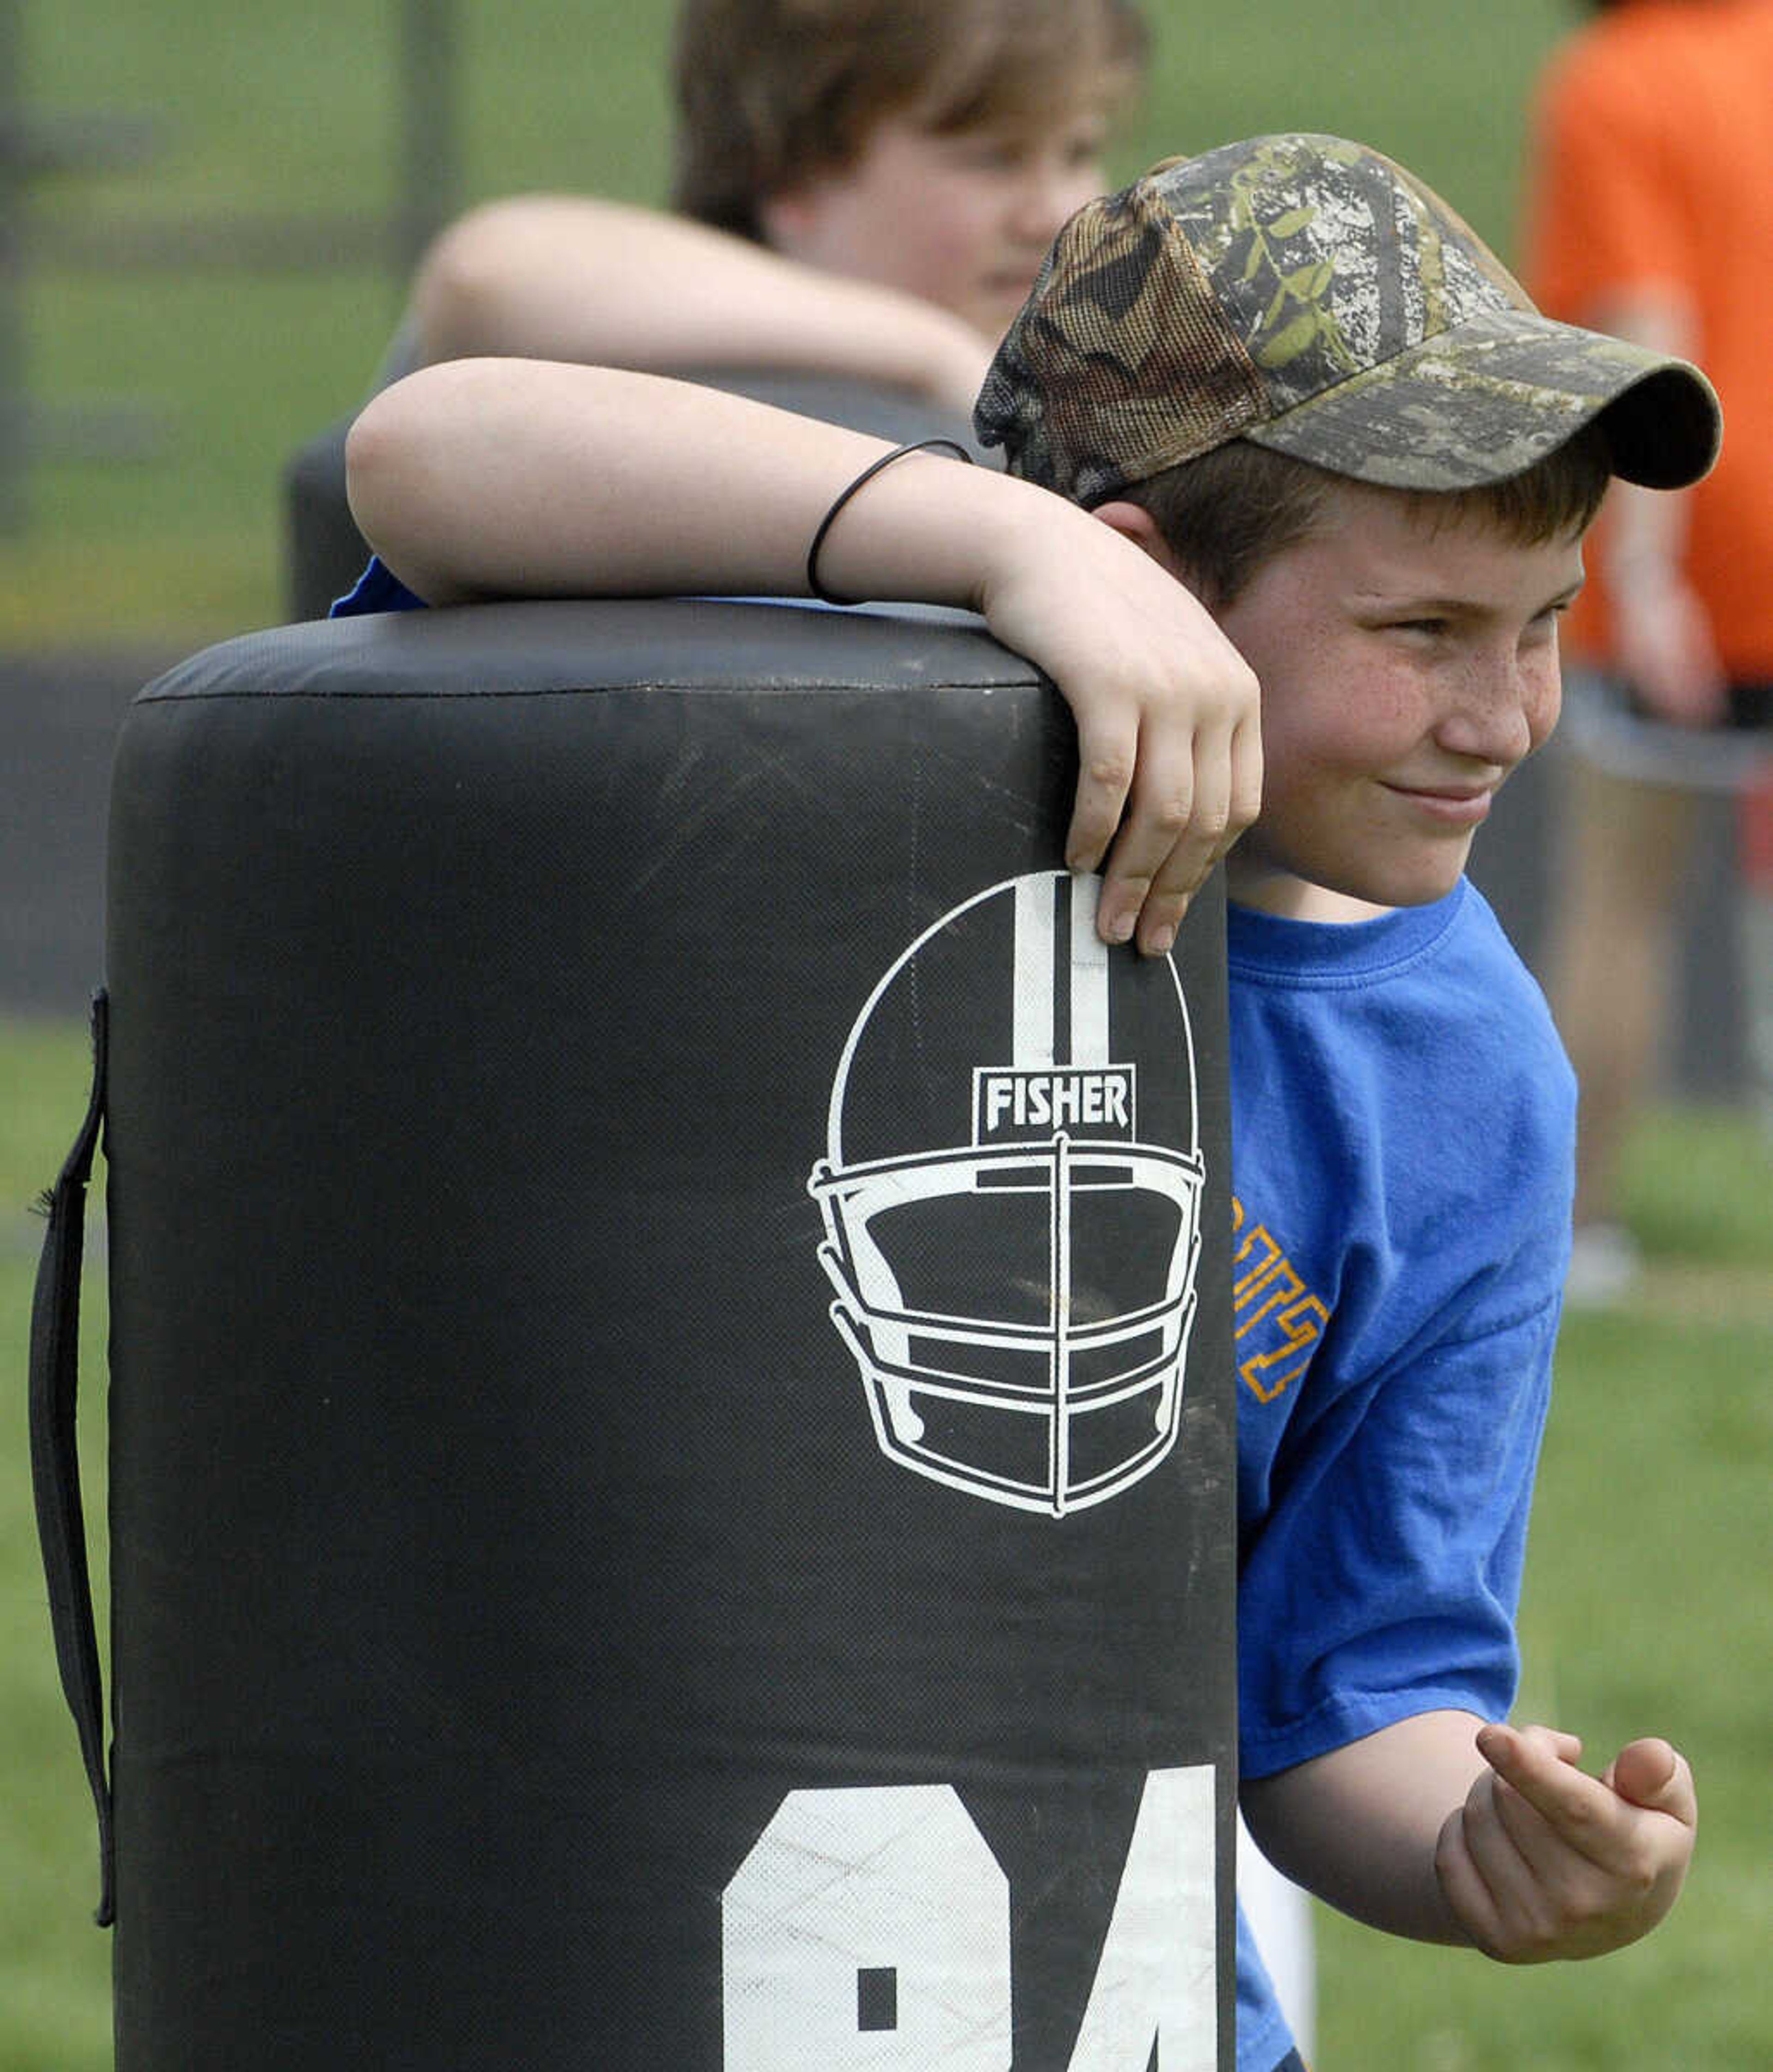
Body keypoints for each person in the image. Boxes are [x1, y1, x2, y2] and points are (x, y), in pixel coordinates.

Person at [337, 134, 1720, 2072]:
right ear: (1141, 573)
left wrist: (1482, 1846)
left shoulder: (1471, 1070)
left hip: (1113, 2014)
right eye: (1421, 636)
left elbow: (1351, 1694)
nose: (1507, 720)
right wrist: (1003, 547)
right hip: (618, 1962)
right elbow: (429, 449)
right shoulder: (827, 770)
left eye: (1545, 621)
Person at [1522, 0, 1773, 1301]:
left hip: (1709, 531)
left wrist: (1642, 566)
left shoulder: (1615, 81)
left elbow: (1648, 325)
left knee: (1620, 897)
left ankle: (1579, 1233)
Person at [399, 0, 1149, 415]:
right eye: (995, 158)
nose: (1057, 212)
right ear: (793, 173)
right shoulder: (635, 336)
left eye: (1079, 150)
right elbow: (484, 275)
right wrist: (931, 352)